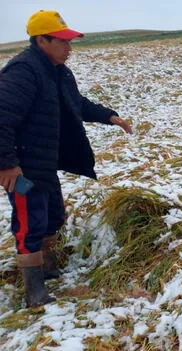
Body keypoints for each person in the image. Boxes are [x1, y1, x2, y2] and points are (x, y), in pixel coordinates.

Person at [0, 10, 133, 307]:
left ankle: (46, 266)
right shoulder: (24, 71)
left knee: (53, 215)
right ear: (42, 40)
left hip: (44, 163)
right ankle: (34, 291)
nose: (69, 47)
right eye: (62, 41)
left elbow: (77, 103)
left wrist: (110, 116)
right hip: (21, 167)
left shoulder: (57, 70)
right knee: (29, 222)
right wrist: (7, 164)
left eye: (69, 40)